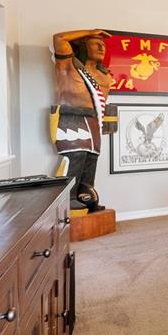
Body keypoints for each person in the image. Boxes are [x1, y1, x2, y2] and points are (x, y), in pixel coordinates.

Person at [51, 29, 115, 212]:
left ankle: (85, 196)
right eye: (96, 43)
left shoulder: (104, 76)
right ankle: (68, 198)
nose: (102, 47)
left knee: (91, 159)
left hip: (94, 119)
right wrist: (90, 32)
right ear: (83, 47)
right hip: (72, 116)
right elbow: (59, 38)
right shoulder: (69, 66)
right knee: (75, 156)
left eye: (103, 45)